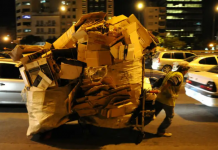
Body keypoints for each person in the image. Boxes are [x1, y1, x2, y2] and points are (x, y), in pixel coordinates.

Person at [154, 62, 190, 137]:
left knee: (152, 114)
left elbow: (160, 80)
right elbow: (169, 82)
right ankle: (161, 131)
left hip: (160, 98)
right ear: (185, 70)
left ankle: (137, 125)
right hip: (168, 100)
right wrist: (162, 90)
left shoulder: (171, 73)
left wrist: (155, 88)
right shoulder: (179, 75)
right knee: (170, 116)